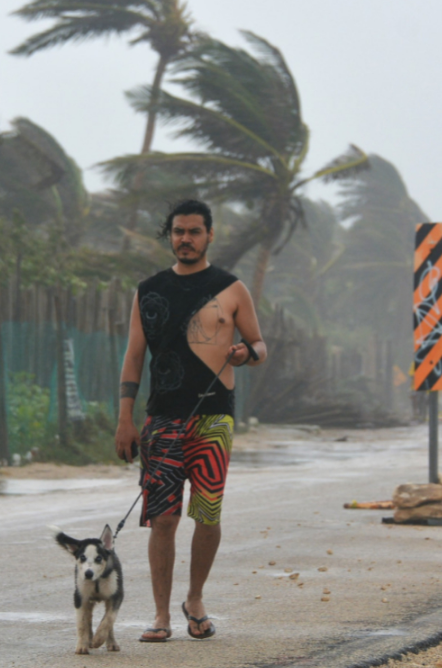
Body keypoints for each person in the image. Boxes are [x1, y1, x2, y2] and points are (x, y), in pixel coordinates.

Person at [114, 198, 267, 643]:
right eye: (178, 231)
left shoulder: (232, 288)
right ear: (171, 236)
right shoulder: (149, 290)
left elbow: (259, 345)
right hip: (160, 419)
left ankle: (195, 598)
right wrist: (125, 418)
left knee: (207, 513)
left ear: (209, 235)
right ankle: (161, 614)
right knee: (162, 518)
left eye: (194, 231)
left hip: (214, 417)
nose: (186, 239)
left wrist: (245, 353)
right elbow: (134, 356)